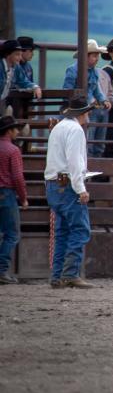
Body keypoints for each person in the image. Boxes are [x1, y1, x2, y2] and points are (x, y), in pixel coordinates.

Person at [44, 97, 95, 289]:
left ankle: (57, 276)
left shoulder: (58, 128)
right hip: (68, 185)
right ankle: (70, 274)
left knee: (62, 232)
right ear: (83, 113)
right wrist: (81, 188)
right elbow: (74, 161)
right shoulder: (75, 130)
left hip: (53, 184)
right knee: (80, 230)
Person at [62, 39, 112, 158]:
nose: (97, 58)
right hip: (76, 112)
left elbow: (96, 89)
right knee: (86, 143)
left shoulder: (94, 72)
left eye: (97, 55)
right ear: (86, 56)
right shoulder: (73, 70)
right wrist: (90, 100)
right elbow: (67, 92)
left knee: (94, 143)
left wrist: (103, 100)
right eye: (94, 55)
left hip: (87, 110)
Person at [0, 115, 27, 284]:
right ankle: (2, 270)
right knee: (11, 234)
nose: (18, 131)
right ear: (9, 131)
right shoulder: (13, 150)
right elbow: (17, 177)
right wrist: (23, 198)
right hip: (6, 194)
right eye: (16, 129)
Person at [1, 39, 41, 113]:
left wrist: (35, 87)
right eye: (17, 54)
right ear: (8, 54)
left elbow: (23, 81)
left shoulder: (16, 67)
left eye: (20, 54)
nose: (20, 58)